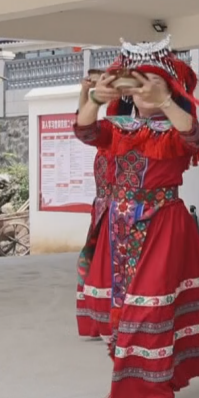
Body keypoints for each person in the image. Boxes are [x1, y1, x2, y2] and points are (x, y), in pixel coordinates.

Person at [74, 38, 199, 398]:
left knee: (151, 307)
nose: (144, 88)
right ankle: (137, 381)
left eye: (155, 81)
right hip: (118, 227)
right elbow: (84, 131)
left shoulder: (173, 127)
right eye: (137, 81)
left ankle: (160, 395)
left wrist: (166, 102)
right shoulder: (116, 127)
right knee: (120, 311)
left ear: (170, 87)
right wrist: (93, 98)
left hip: (161, 224)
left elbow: (194, 137)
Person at [75, 68, 113, 341]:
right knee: (95, 264)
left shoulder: (121, 126)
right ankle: (96, 320)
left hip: (121, 209)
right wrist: (85, 92)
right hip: (102, 208)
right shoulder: (103, 133)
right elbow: (83, 122)